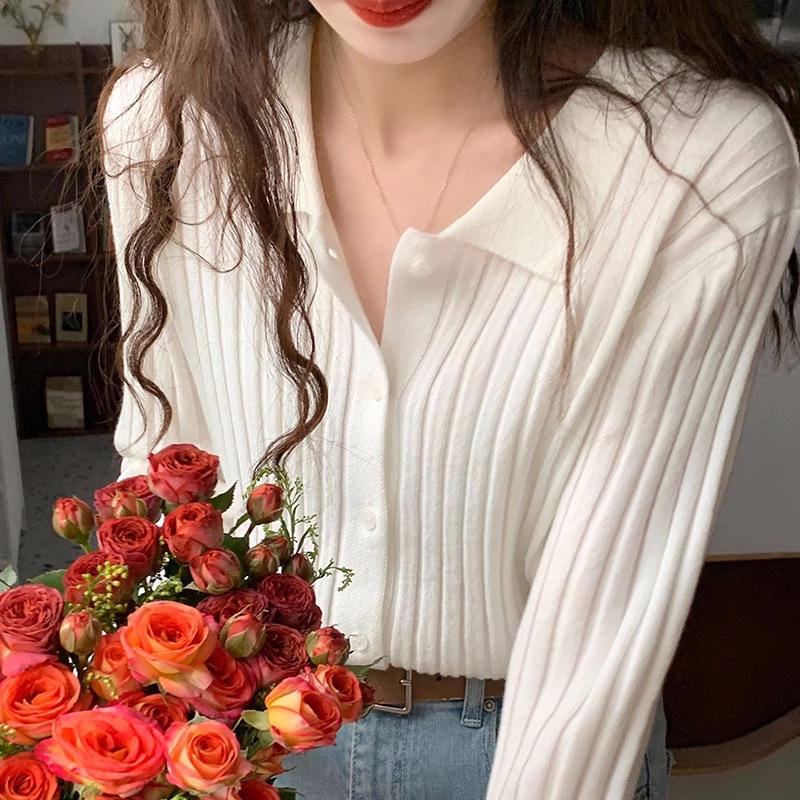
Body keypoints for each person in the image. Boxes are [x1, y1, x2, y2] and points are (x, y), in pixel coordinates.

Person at [96, 1, 800, 798]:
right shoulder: (167, 122)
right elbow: (161, 493)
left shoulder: (691, 163)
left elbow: (601, 628)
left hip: (525, 750)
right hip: (245, 744)